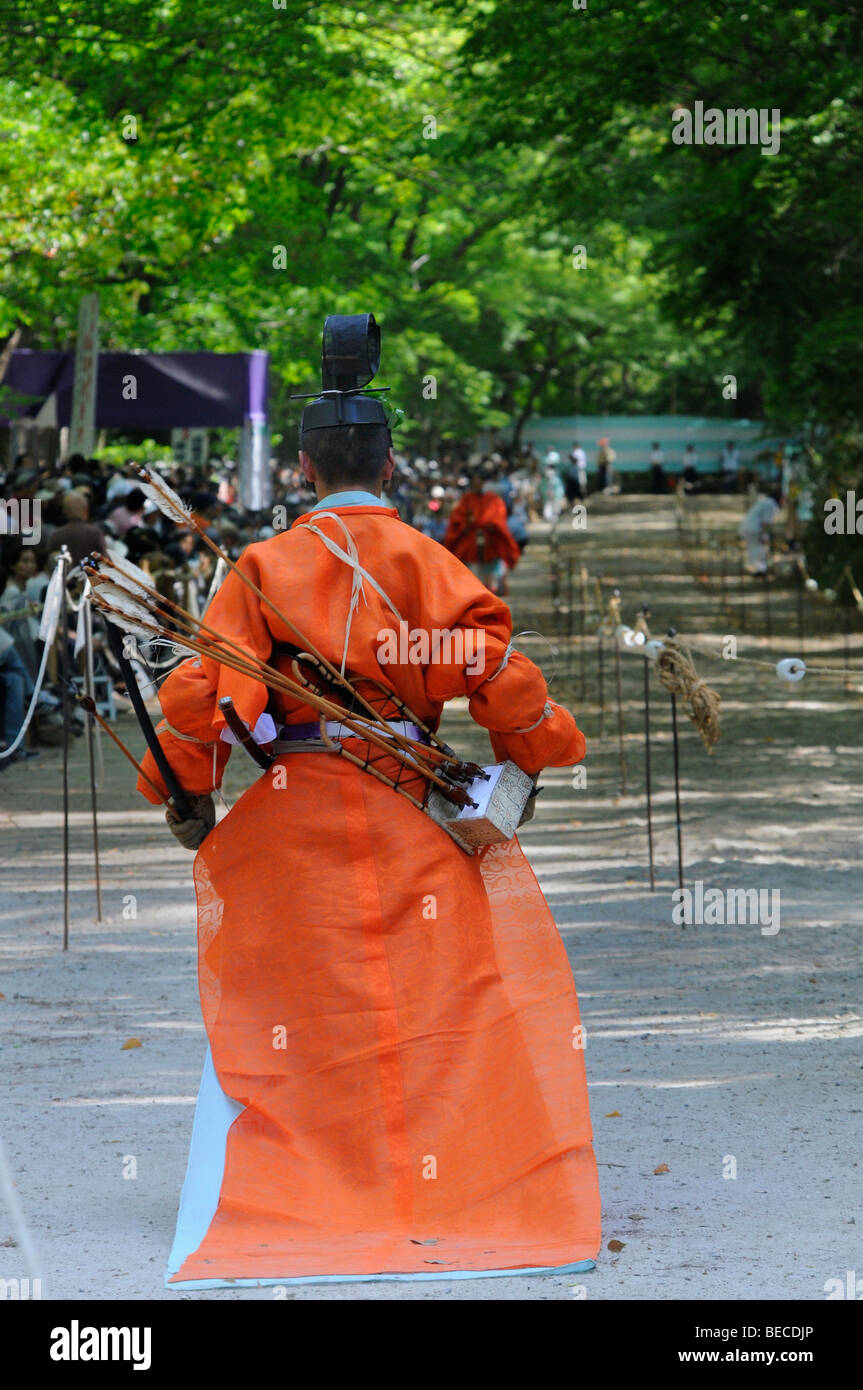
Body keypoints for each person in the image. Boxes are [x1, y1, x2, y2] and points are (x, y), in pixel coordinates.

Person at [134, 328, 599, 1289]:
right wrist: (535, 755)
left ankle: (309, 1178)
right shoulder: (431, 561)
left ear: (304, 465)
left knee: (293, 1005)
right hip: (411, 804)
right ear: (388, 463)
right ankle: (447, 1183)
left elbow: (211, 699)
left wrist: (184, 792)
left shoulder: (260, 566)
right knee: (446, 1003)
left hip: (296, 811)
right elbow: (499, 679)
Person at [443, 466, 521, 595]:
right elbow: (457, 520)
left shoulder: (494, 500)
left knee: (492, 580)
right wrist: (467, 525)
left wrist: (486, 524)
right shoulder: (466, 499)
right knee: (473, 579)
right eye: (474, 481)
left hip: (491, 544)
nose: (477, 484)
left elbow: (499, 520)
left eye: (479, 480)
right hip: (471, 546)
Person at [47, 489, 106, 565]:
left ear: (65, 511)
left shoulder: (56, 535)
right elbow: (105, 561)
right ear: (86, 510)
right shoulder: (95, 533)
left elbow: (51, 563)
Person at [740, 488, 782, 575]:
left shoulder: (766, 501)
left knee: (754, 549)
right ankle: (758, 570)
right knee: (758, 549)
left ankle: (757, 569)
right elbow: (765, 522)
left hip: (748, 527)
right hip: (754, 528)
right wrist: (764, 535)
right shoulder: (770, 504)